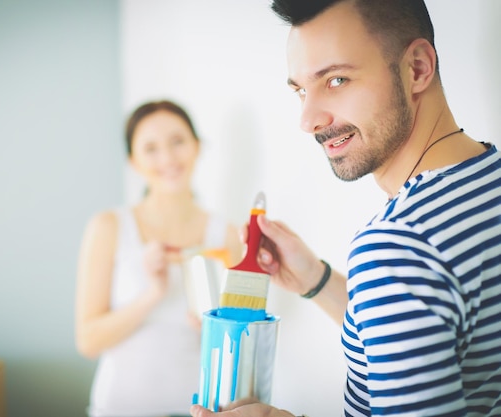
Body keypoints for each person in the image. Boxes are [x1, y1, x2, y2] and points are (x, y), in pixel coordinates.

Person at [191, 0, 501, 416]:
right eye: (301, 89)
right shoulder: (485, 180)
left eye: (336, 79)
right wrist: (317, 280)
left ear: (418, 68)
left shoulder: (397, 246)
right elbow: (422, 333)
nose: (308, 119)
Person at [75, 100, 244, 417]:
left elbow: (240, 347)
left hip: (201, 409)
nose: (167, 158)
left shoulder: (228, 236)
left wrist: (210, 332)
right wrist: (152, 294)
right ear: (133, 161)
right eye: (150, 148)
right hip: (119, 407)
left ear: (197, 146)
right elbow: (88, 341)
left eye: (177, 142)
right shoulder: (108, 227)